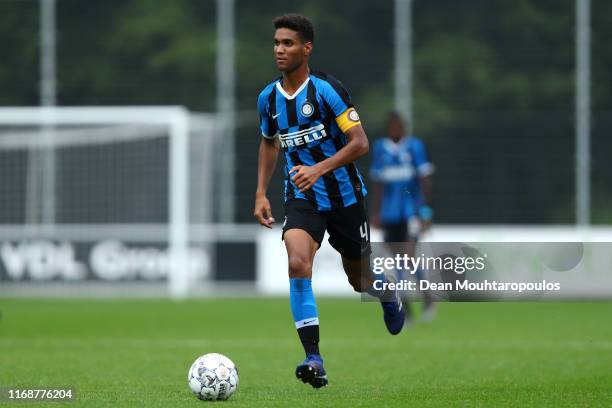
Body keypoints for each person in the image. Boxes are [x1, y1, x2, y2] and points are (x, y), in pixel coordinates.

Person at [253, 14, 404, 389]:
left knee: (360, 278)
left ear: (307, 48)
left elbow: (361, 143)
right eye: (276, 43)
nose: (279, 50)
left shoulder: (326, 90)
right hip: (301, 199)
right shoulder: (268, 99)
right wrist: (260, 193)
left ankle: (386, 290)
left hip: (345, 199)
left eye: (287, 43)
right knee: (298, 262)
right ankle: (313, 358)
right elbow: (269, 143)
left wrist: (318, 168)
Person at [370, 111, 436, 322]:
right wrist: (377, 213)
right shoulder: (380, 148)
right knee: (399, 258)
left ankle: (406, 308)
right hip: (390, 214)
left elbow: (425, 180)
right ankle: (422, 300)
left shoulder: (414, 147)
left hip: (411, 212)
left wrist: (425, 212)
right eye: (393, 126)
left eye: (399, 126)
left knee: (405, 257)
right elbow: (378, 183)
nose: (396, 130)